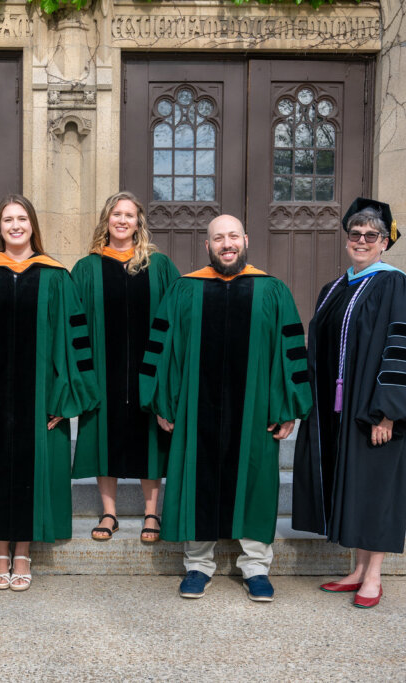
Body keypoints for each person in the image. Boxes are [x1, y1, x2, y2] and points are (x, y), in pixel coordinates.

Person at [140, 214, 312, 602]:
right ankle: (198, 565)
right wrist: (162, 401)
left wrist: (289, 407)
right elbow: (162, 351)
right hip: (195, 409)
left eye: (233, 236)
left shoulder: (272, 290)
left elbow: (289, 353)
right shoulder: (185, 289)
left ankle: (255, 566)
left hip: (254, 411)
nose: (227, 244)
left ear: (246, 240)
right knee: (196, 478)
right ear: (208, 246)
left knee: (255, 480)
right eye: (219, 238)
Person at [0, 194, 99, 591]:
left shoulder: (56, 276)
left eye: (22, 219)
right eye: (8, 220)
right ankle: (1, 552)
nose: (15, 226)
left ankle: (23, 552)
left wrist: (65, 398)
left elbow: (75, 346)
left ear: (33, 225)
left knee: (31, 471)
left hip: (40, 397)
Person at [292, 198, 406, 609]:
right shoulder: (333, 288)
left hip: (376, 411)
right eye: (355, 235)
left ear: (385, 242)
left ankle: (374, 576)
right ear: (347, 239)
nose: (363, 241)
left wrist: (389, 412)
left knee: (375, 486)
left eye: (372, 235)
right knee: (354, 487)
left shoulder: (396, 284)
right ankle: (356, 569)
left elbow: (404, 349)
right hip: (339, 411)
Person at [71, 192, 179, 543]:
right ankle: (109, 513)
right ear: (106, 220)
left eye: (129, 215)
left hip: (148, 368)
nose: (122, 220)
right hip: (104, 368)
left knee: (150, 435)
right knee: (106, 433)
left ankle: (152, 513)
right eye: (116, 214)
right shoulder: (87, 268)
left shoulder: (159, 266)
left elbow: (177, 317)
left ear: (138, 222)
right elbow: (74, 324)